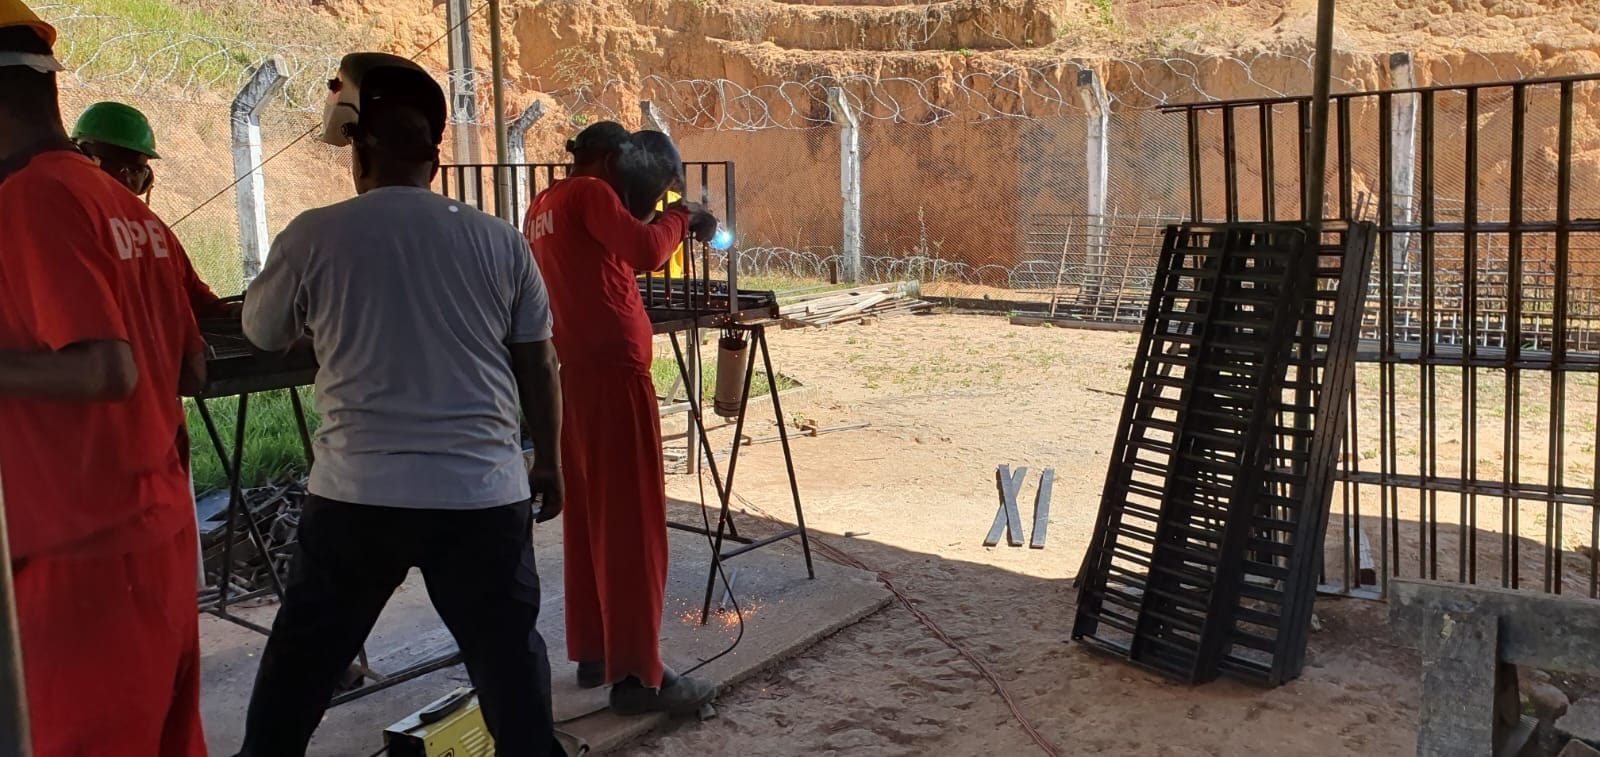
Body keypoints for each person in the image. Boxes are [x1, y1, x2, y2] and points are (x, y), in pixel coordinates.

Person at [238, 52, 567, 756]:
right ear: (435, 159)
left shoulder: (315, 234)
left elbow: (264, 333)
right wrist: (550, 463)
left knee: (295, 681)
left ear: (360, 149)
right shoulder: (499, 241)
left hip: (358, 496)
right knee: (512, 677)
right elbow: (537, 360)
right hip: (481, 492)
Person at [0, 1, 208, 753]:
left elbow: (103, 367)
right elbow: (194, 358)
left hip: (80, 554)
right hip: (155, 534)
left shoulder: (31, 199)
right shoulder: (127, 206)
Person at [524, 121, 719, 715]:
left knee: (589, 521)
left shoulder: (544, 204)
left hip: (573, 378)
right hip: (614, 376)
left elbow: (607, 259)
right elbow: (648, 250)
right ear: (610, 160)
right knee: (632, 527)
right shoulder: (590, 192)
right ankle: (638, 677)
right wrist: (684, 216)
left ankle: (594, 652)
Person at [71, 100, 237, 319]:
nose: (127, 178)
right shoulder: (72, 226)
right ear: (84, 161)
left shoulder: (155, 231)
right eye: (119, 166)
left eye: (137, 170)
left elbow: (195, 298)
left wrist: (231, 313)